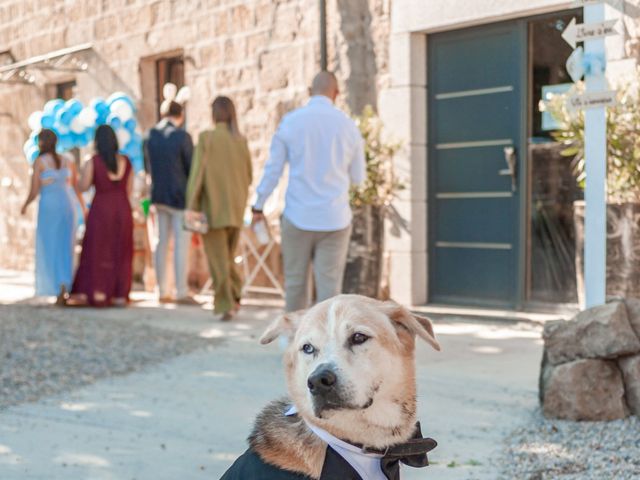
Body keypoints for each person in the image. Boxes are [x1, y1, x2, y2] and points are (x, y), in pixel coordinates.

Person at [251, 71, 366, 312]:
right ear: (336, 93)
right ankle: (327, 346)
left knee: (295, 284)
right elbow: (358, 178)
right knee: (329, 289)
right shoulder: (348, 126)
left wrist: (258, 204)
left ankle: (293, 342)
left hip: (298, 216)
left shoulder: (291, 122)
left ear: (309, 92)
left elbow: (273, 170)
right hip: (335, 219)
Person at [186, 96, 252, 320]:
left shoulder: (207, 138)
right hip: (236, 207)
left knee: (218, 260)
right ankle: (235, 294)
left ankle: (226, 303)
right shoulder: (240, 141)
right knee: (228, 257)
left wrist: (191, 205)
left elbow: (197, 175)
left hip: (213, 209)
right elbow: (249, 175)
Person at [70, 125, 134, 307]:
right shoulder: (127, 161)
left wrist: (75, 177)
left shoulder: (93, 161)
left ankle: (99, 292)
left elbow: (83, 186)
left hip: (101, 210)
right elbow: (129, 190)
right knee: (121, 250)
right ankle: (120, 294)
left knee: (98, 250)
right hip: (122, 209)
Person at [21, 129, 84, 302]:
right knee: (66, 246)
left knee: (50, 247)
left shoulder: (39, 161)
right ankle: (64, 285)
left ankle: (58, 287)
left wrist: (25, 205)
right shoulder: (67, 160)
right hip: (67, 206)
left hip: (49, 208)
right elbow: (76, 187)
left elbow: (34, 191)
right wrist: (83, 208)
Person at [144, 99, 195, 304]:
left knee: (160, 242)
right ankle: (181, 291)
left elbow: (148, 168)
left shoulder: (149, 136)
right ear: (180, 116)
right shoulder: (182, 136)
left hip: (158, 195)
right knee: (181, 244)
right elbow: (191, 168)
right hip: (179, 197)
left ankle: (162, 289)